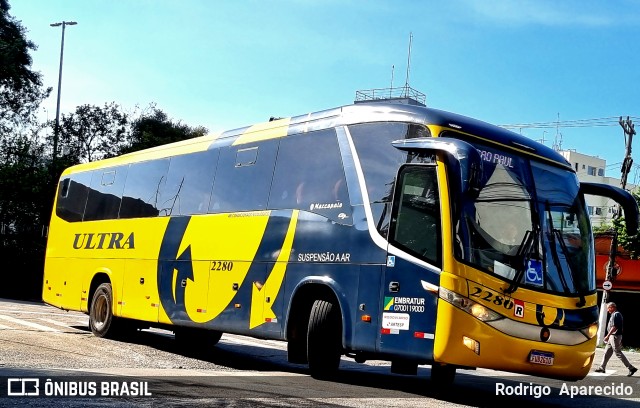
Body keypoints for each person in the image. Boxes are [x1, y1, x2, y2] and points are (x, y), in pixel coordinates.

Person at [594, 302, 638, 376]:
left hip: (614, 336)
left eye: (608, 308)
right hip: (613, 336)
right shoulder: (615, 314)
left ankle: (631, 368)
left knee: (618, 352)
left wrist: (608, 336)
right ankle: (602, 368)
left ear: (612, 307)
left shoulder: (616, 314)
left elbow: (614, 327)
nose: (608, 310)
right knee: (607, 352)